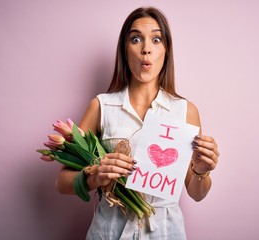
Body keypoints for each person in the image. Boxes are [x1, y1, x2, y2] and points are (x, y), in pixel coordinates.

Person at [55, 6, 219, 239]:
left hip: (165, 232)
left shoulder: (186, 111)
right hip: (109, 231)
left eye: (156, 39)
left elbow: (197, 193)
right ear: (125, 49)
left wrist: (202, 172)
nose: (146, 50)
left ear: (166, 50)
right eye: (136, 39)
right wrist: (96, 176)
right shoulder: (101, 106)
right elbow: (62, 182)